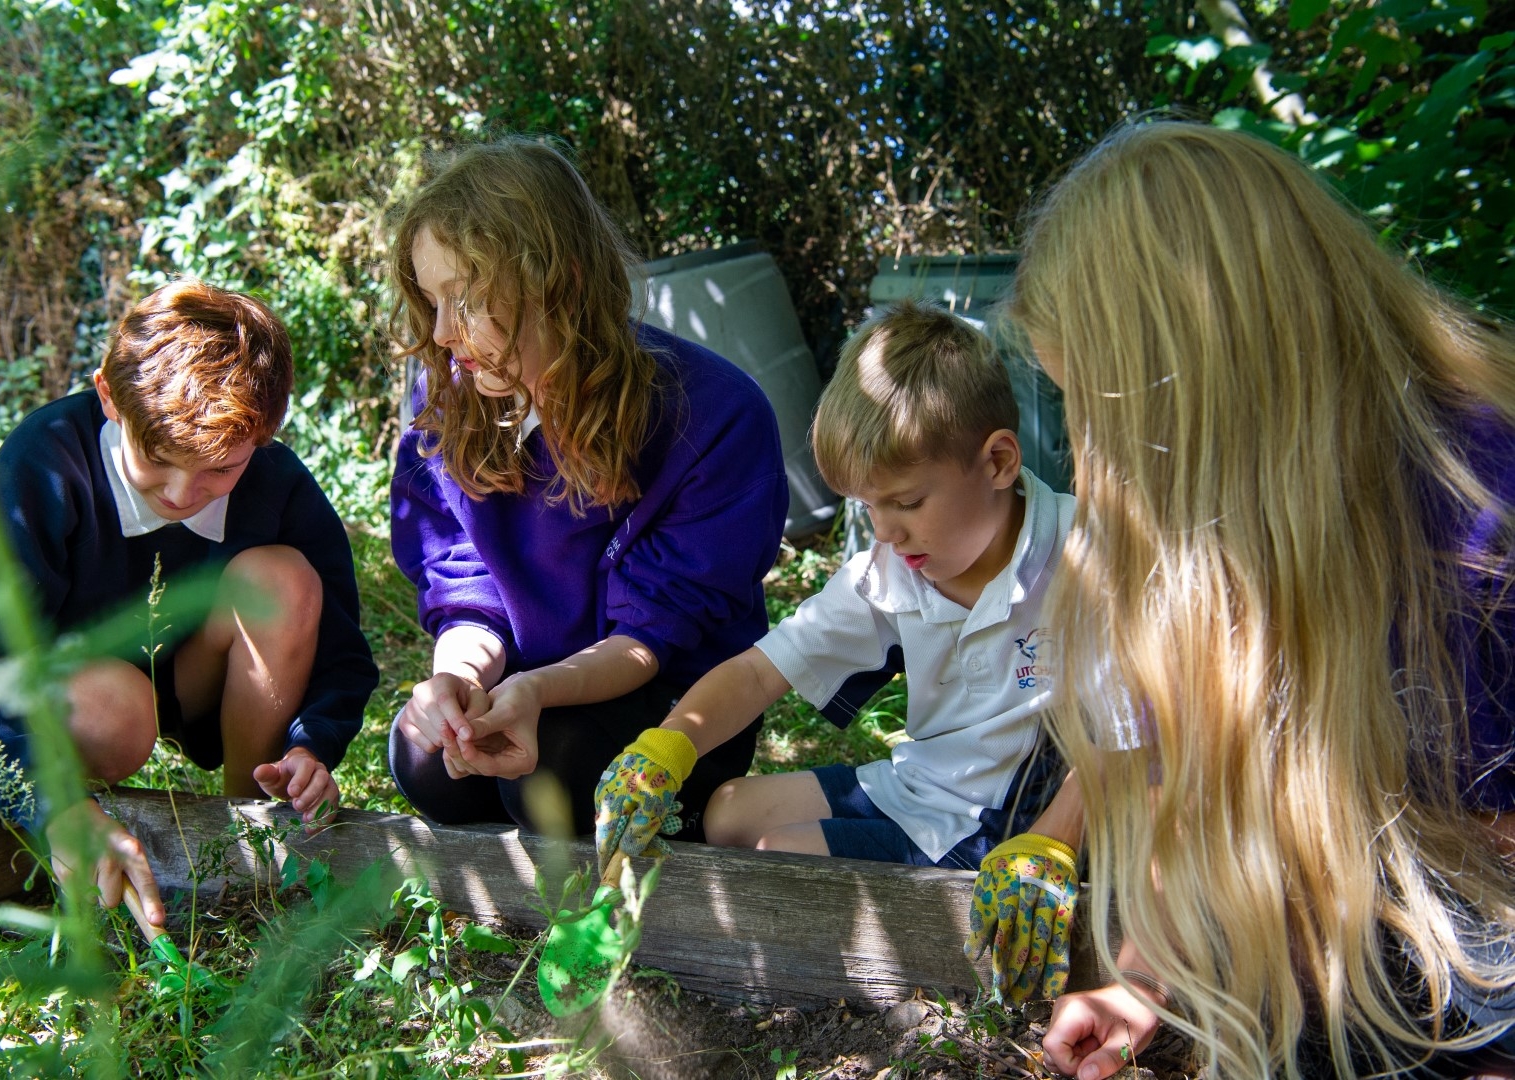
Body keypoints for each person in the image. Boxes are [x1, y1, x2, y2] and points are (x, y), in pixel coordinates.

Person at [1007, 120, 1515, 1080]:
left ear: (1206, 405)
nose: (1090, 462)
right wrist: (1140, 978)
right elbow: (1184, 784)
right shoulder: (1204, 549)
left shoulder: (1479, 520)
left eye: (1107, 419)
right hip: (1374, 955)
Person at [594, 300, 1084, 1001]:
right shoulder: (892, 569)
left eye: (906, 501)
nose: (885, 531)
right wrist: (665, 747)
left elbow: (1131, 731)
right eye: (866, 508)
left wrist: (1052, 841)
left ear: (999, 460)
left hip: (1007, 825)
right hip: (922, 785)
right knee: (726, 810)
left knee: (779, 860)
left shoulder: (1083, 557)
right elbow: (759, 671)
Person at [0, 279, 379, 931]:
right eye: (159, 458)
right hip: (81, 696)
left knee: (285, 580)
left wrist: (313, 745)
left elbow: (340, 652)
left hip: (198, 679)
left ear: (265, 435)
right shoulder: (46, 463)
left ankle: (248, 842)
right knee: (119, 709)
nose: (184, 493)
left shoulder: (279, 487)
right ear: (108, 395)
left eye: (220, 469)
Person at [386, 136, 789, 841]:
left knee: (555, 774)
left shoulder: (715, 415)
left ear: (559, 282)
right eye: (431, 301)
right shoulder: (449, 399)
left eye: (467, 298)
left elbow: (653, 634)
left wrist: (535, 693)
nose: (444, 333)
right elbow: (464, 576)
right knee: (423, 756)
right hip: (525, 682)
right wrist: (459, 681)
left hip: (672, 705)